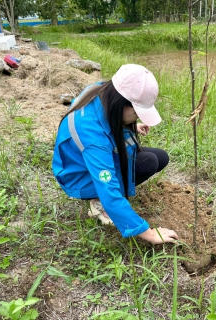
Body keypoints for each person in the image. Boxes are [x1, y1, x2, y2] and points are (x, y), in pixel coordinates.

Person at [52, 64, 179, 245]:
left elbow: (105, 119)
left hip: (89, 159)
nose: (136, 117)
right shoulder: (92, 136)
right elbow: (109, 191)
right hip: (80, 175)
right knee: (147, 163)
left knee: (159, 158)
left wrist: (131, 127)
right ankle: (96, 201)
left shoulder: (100, 90)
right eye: (136, 113)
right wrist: (150, 234)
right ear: (121, 103)